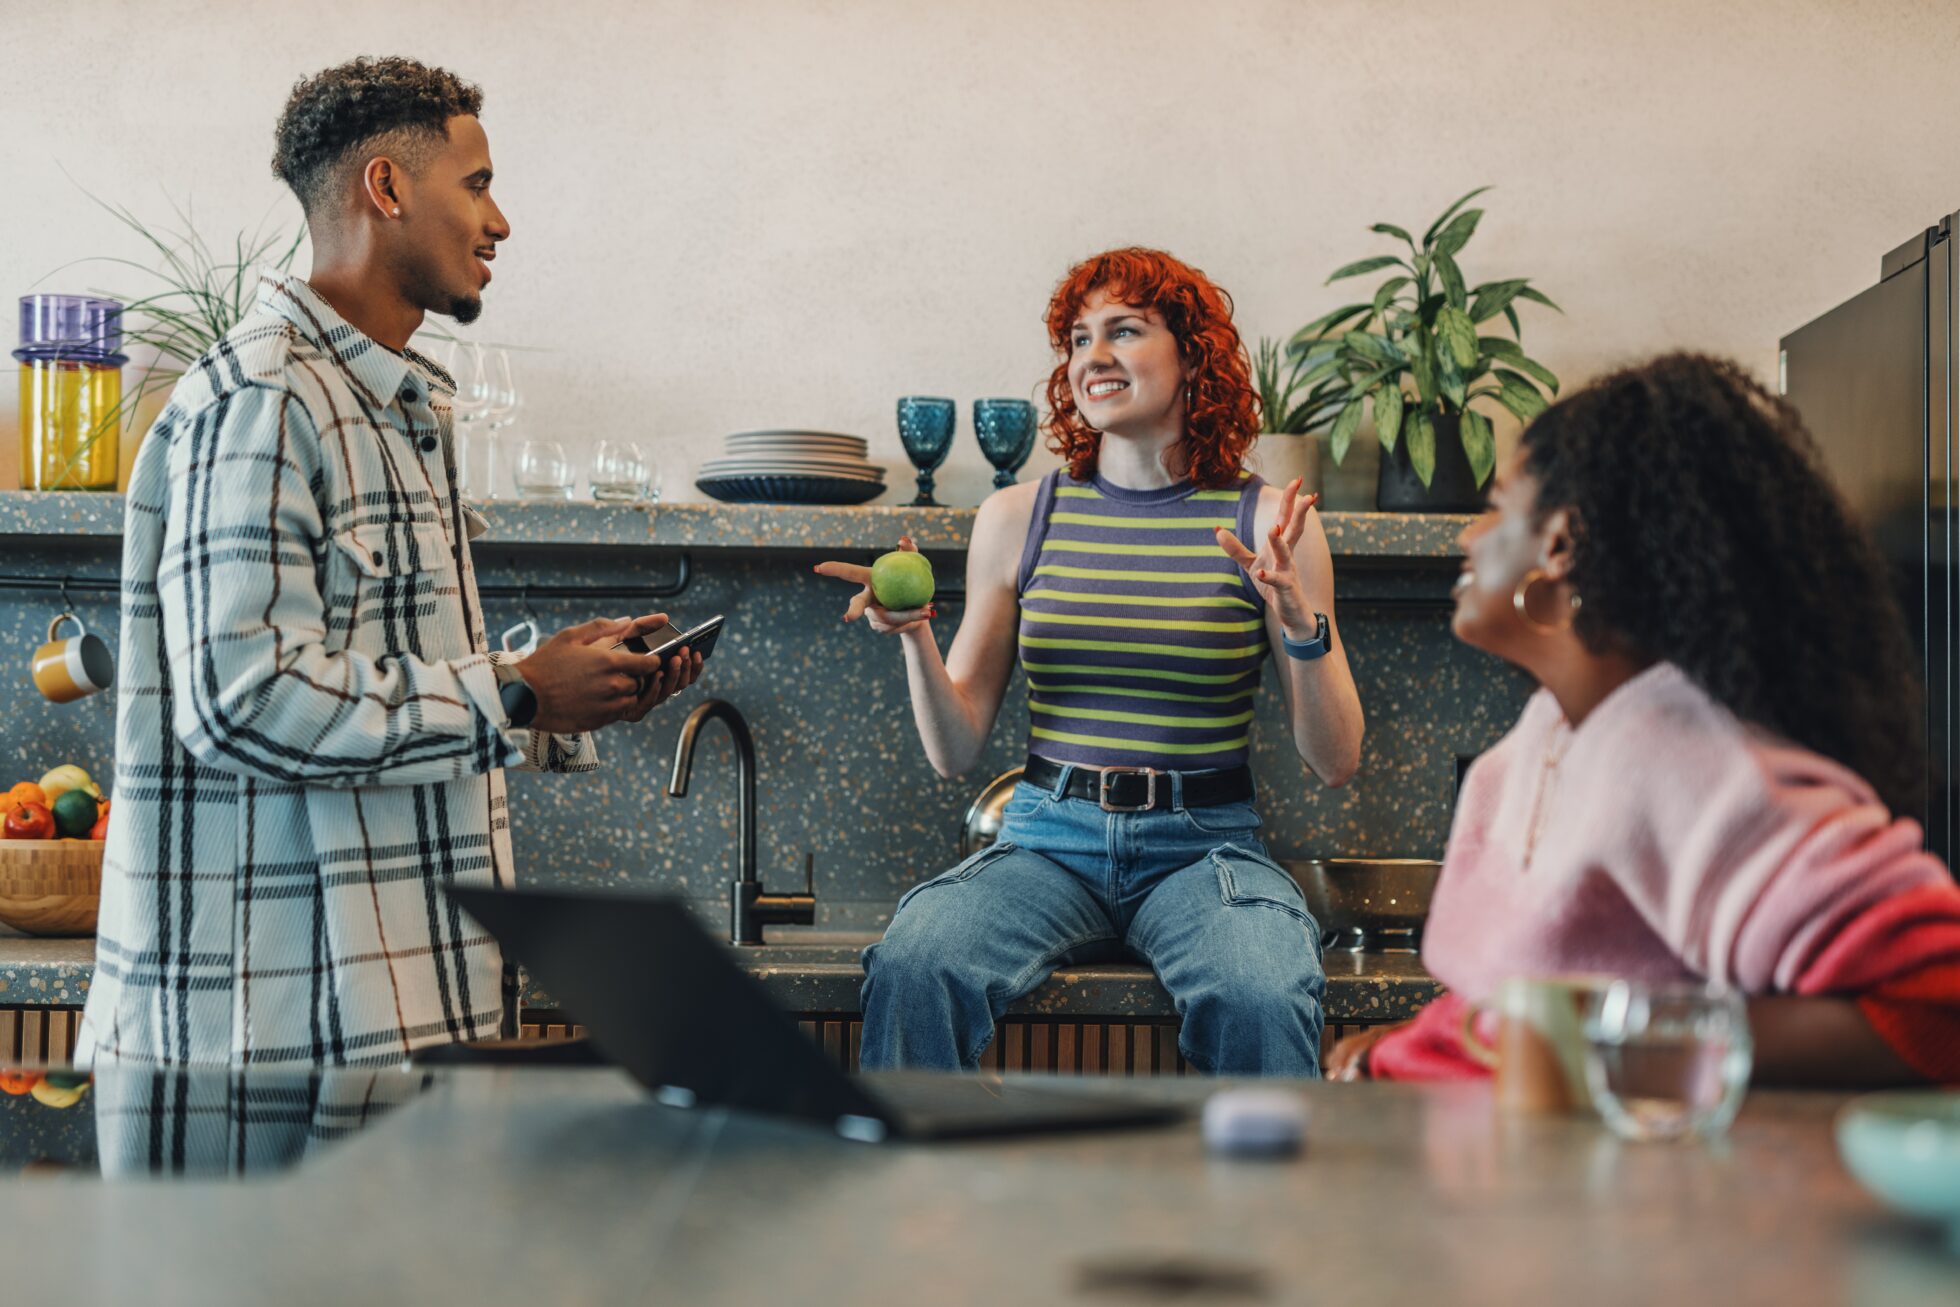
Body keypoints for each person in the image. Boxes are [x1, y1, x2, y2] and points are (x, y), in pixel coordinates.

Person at [76, 57, 701, 1068]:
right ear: (387, 187)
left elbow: (376, 692)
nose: (501, 224)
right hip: (265, 1050)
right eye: (479, 185)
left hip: (389, 1026)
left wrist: (558, 695)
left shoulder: (389, 405)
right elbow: (243, 698)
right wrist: (515, 692)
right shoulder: (267, 400)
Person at [1325, 353, 1960, 1086]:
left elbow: (1937, 1003)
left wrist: (1611, 1048)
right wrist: (1406, 1049)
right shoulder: (1541, 739)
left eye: (1498, 505)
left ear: (1559, 544)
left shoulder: (1685, 758)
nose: (1470, 536)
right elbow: (1524, 1006)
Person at [819, 248, 1365, 1075]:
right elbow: (955, 747)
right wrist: (915, 635)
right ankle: (917, 1200)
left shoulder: (1269, 521)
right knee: (917, 959)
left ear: (1194, 358)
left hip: (1202, 848)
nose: (1092, 356)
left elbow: (1336, 759)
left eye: (1124, 331)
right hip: (1047, 841)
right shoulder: (1017, 518)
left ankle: (1263, 1208)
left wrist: (1297, 619)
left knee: (1260, 989)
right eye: (1078, 339)